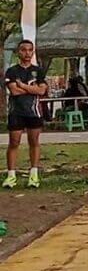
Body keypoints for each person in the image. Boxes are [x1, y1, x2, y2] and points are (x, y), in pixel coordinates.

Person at [4, 39, 47, 189]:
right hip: (16, 112)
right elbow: (14, 91)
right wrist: (30, 88)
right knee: (14, 142)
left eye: (30, 50)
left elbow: (42, 90)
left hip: (33, 112)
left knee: (33, 142)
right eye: (24, 50)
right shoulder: (12, 71)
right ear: (18, 52)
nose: (27, 53)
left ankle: (34, 175)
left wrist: (22, 85)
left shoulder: (38, 70)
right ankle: (11, 176)